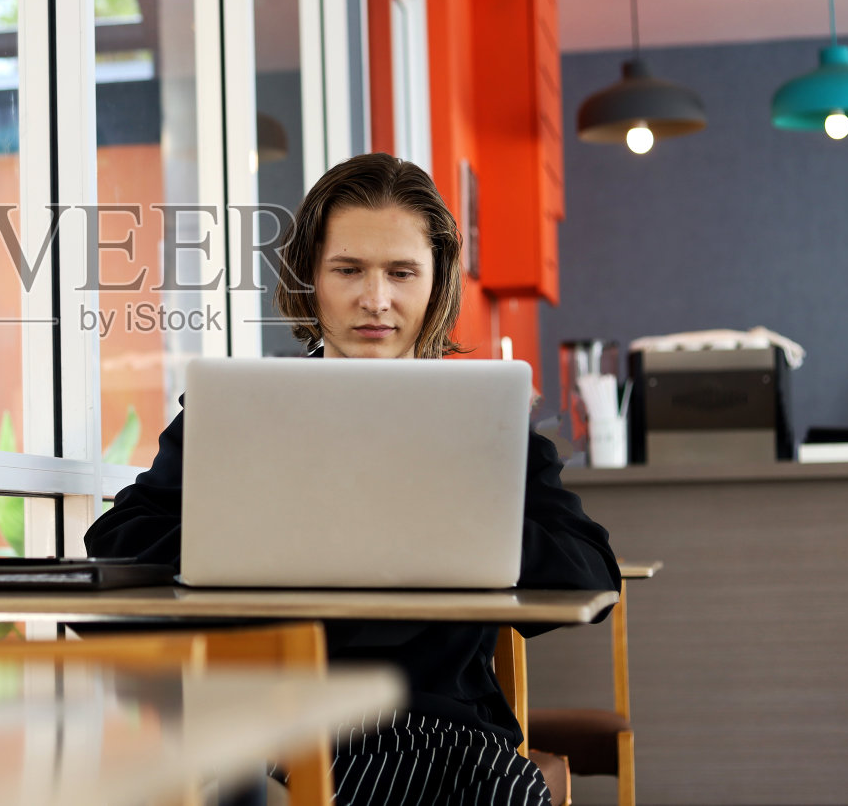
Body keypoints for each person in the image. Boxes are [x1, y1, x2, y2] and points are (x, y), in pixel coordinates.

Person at [85, 152, 621, 806]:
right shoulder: (242, 408)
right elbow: (117, 541)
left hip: (444, 733)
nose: (376, 299)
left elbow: (591, 571)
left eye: (401, 272)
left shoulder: (485, 422)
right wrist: (266, 546)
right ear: (311, 277)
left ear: (436, 280)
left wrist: (439, 520)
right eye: (348, 270)